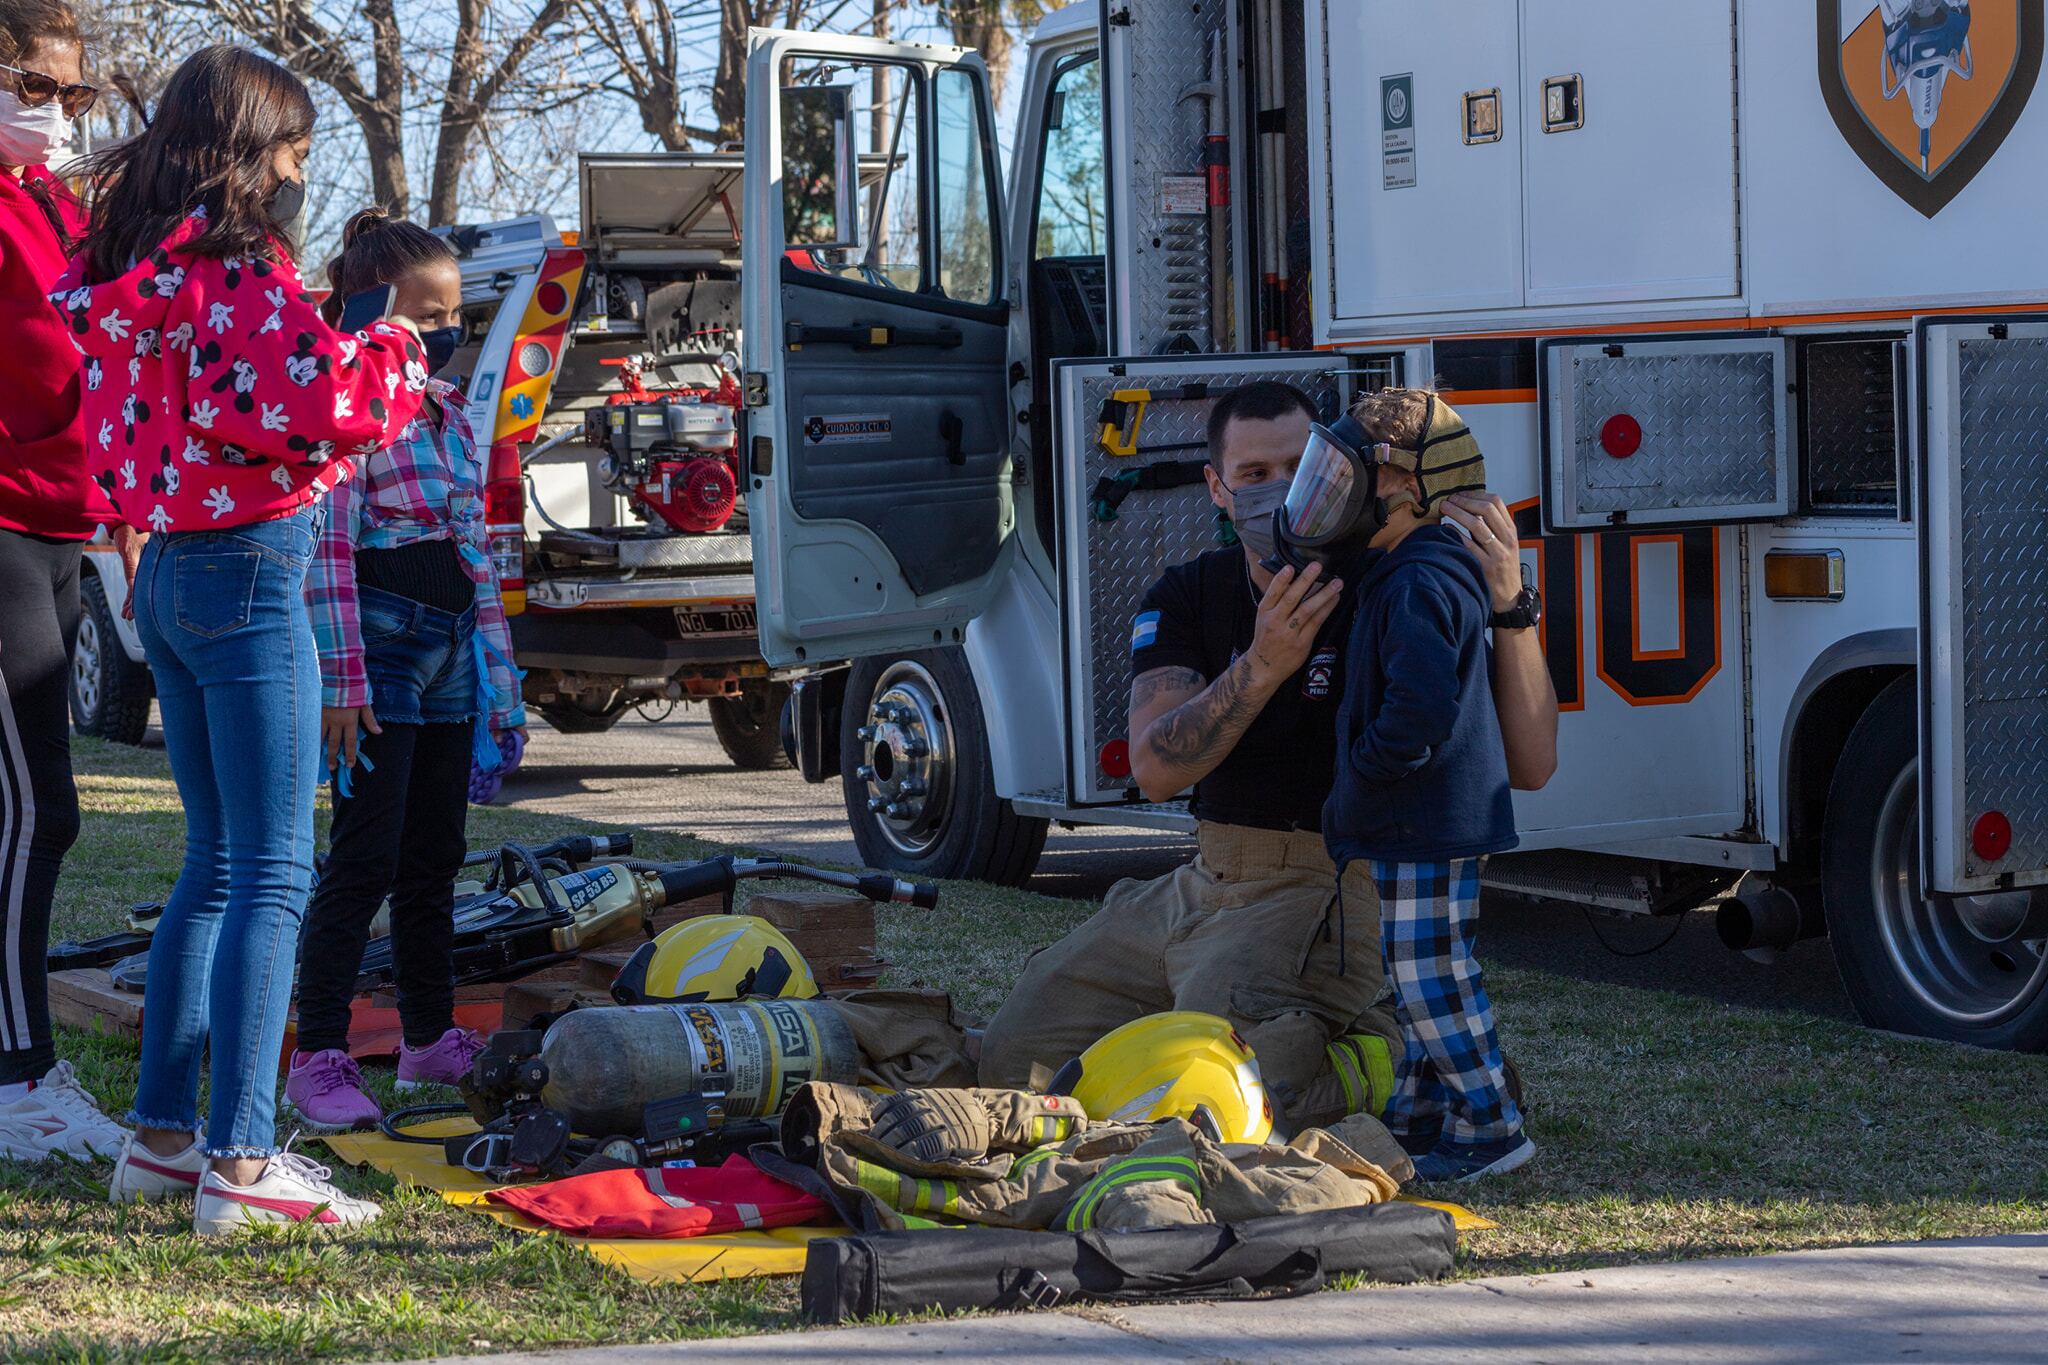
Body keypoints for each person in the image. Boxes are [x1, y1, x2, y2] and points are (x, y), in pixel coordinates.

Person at [49, 45, 427, 1234]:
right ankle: (245, 1166)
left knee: (210, 872)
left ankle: (163, 1143)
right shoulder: (237, 266)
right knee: (273, 875)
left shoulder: (132, 266)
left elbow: (206, 398)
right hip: (250, 576)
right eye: (299, 151)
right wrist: (399, 348)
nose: (303, 174)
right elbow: (314, 404)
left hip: (162, 570)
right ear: (251, 145)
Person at [979, 381, 1556, 1129]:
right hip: (1200, 878)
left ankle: (1382, 1054)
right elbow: (1156, 770)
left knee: (1207, 1102)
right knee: (1012, 1057)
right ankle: (1361, 1037)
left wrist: (1512, 605)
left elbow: (1533, 762)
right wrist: (1263, 664)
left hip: (1326, 884)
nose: (1280, 490)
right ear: (1217, 486)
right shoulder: (1189, 592)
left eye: (1300, 464)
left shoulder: (1386, 579)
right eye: (1253, 475)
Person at [284, 208, 524, 1131]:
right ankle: (319, 1053)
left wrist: (500, 685)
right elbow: (328, 554)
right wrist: (343, 682)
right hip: (379, 651)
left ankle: (427, 1038)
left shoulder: (454, 413)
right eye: (424, 319)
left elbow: (476, 555)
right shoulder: (352, 415)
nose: (443, 334)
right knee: (365, 853)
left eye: (453, 316)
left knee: (435, 856)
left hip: (452, 648)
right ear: (368, 312)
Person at [1321, 387, 1529, 1182]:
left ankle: (1492, 1125)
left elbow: (1422, 704)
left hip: (1426, 817)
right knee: (1408, 971)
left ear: (1406, 486)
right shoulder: (1409, 567)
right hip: (1425, 818)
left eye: (1353, 477)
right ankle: (1417, 1117)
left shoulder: (1415, 578)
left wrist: (1372, 767)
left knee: (1431, 970)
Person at [0, 0, 134, 1162]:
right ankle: (17, 1074)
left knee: (37, 811)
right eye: (35, 87)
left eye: (74, 93)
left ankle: (25, 1065)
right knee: (33, 807)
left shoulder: (52, 202)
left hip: (61, 530)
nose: (59, 113)